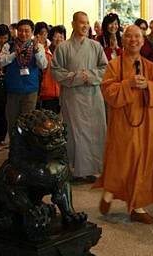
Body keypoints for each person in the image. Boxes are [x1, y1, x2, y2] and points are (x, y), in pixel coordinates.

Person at [94, 25, 153, 224]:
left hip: (146, 122)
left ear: (143, 41)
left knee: (143, 160)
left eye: (137, 37)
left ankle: (137, 206)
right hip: (123, 123)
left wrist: (148, 86)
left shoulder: (150, 67)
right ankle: (109, 191)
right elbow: (107, 90)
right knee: (122, 159)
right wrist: (128, 84)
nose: (133, 40)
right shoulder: (114, 65)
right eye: (129, 37)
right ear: (123, 40)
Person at [51, 12, 108, 184]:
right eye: (81, 22)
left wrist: (89, 76)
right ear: (73, 24)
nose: (85, 26)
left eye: (87, 23)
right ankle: (75, 170)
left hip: (92, 96)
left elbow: (105, 68)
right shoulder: (63, 47)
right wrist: (76, 78)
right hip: (73, 97)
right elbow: (55, 71)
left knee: (94, 132)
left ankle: (92, 169)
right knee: (75, 133)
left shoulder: (96, 46)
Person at [0, 19, 48, 133]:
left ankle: (26, 149)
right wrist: (14, 55)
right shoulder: (9, 46)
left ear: (32, 32)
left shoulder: (38, 46)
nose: (23, 34)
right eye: (20, 31)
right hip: (12, 91)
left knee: (28, 123)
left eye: (26, 31)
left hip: (30, 91)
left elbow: (43, 65)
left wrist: (36, 51)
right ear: (16, 31)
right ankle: (14, 148)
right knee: (12, 122)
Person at [39, 25, 66, 114]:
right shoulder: (45, 53)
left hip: (63, 94)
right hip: (47, 95)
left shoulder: (66, 54)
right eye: (56, 36)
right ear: (51, 38)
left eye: (61, 37)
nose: (59, 39)